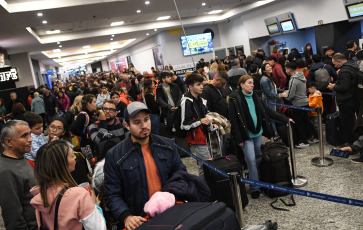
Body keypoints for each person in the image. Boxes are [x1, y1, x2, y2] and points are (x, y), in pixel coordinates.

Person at [103, 102, 186, 230]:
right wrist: (126, 217)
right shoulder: (115, 155)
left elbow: (181, 175)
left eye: (146, 120)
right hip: (140, 220)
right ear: (127, 125)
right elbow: (112, 194)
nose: (144, 125)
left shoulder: (167, 145)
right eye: (137, 122)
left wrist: (175, 198)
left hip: (170, 212)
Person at [228, 75, 291, 199]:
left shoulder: (255, 96)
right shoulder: (235, 99)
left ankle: (256, 179)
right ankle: (255, 187)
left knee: (257, 157)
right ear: (242, 85)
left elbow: (267, 110)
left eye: (252, 83)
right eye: (249, 83)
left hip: (258, 133)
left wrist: (284, 118)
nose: (252, 85)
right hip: (246, 136)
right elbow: (234, 120)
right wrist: (239, 138)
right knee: (250, 160)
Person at [30, 140, 106, 230]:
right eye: (72, 155)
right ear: (62, 164)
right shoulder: (78, 195)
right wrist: (94, 205)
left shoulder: (40, 193)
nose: (75, 158)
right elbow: (99, 227)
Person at [0, 120, 37, 230]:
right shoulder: (6, 171)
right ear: (9, 142)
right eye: (24, 136)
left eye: (30, 134)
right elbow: (13, 217)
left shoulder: (20, 158)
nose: (30, 139)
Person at [181, 73, 217, 177]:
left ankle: (206, 188)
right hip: (197, 138)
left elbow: (205, 114)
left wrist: (213, 122)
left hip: (206, 135)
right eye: (198, 84)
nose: (201, 86)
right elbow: (184, 124)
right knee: (207, 165)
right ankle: (204, 189)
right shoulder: (186, 101)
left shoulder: (200, 99)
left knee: (205, 165)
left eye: (201, 84)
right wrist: (200, 121)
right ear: (190, 87)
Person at [328, 53, 359, 145]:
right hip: (354, 98)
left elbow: (344, 87)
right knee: (353, 122)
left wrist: (334, 86)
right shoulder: (353, 66)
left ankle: (351, 144)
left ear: (339, 61)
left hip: (346, 101)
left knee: (348, 123)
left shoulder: (345, 71)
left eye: (335, 63)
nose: (335, 66)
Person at [284, 61, 315, 148]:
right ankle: (311, 137)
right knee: (306, 121)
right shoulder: (301, 76)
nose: (285, 70)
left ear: (289, 69)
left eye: (286, 69)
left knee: (299, 123)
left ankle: (304, 141)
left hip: (298, 104)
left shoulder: (293, 79)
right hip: (305, 102)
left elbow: (291, 95)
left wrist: (284, 95)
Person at [260, 63, 285, 136]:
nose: (270, 67)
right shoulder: (264, 80)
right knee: (272, 118)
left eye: (270, 66)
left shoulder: (269, 78)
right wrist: (279, 95)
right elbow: (268, 93)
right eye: (267, 67)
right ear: (264, 70)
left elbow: (274, 89)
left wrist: (283, 91)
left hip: (272, 100)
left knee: (274, 117)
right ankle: (275, 134)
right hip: (269, 101)